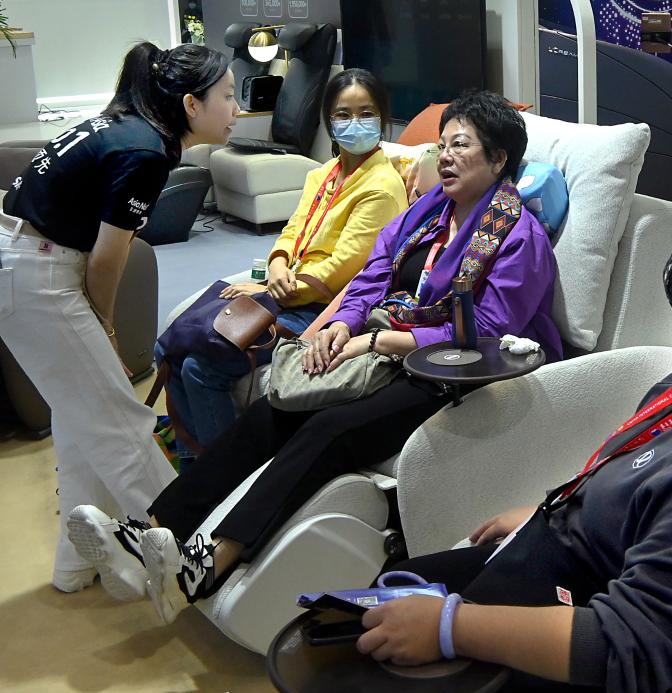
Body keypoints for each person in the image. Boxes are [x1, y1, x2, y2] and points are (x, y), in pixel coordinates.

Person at [66, 90, 563, 624]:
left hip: (459, 374)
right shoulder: (430, 209)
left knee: (329, 428)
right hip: (386, 348)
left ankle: (206, 566)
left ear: (498, 159)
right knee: (274, 410)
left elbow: (487, 330)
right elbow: (375, 272)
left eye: (460, 145)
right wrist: (343, 324)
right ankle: (151, 532)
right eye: (441, 145)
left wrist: (379, 342)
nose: (443, 156)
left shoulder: (519, 235)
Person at [345, 208, 672, 693]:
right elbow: (640, 480)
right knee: (370, 606)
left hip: (591, 624)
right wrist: (561, 510)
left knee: (374, 674)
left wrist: (450, 628)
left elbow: (633, 646)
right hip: (568, 553)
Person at [0, 42, 237, 595]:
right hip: (38, 271)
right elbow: (107, 260)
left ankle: (78, 566)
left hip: (22, 258)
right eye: (227, 96)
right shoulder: (146, 151)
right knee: (120, 423)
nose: (236, 108)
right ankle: (185, 557)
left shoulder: (127, 126)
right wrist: (105, 327)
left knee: (82, 420)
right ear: (191, 104)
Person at [156, 68, 408, 464]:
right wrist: (276, 264)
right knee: (172, 347)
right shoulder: (323, 174)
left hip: (322, 306)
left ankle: (225, 475)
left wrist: (270, 290)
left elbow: (344, 268)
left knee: (202, 367)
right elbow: (293, 230)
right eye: (343, 114)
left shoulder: (382, 187)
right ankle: (193, 464)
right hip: (286, 290)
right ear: (329, 121)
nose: (354, 123)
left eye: (366, 113)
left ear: (382, 118)